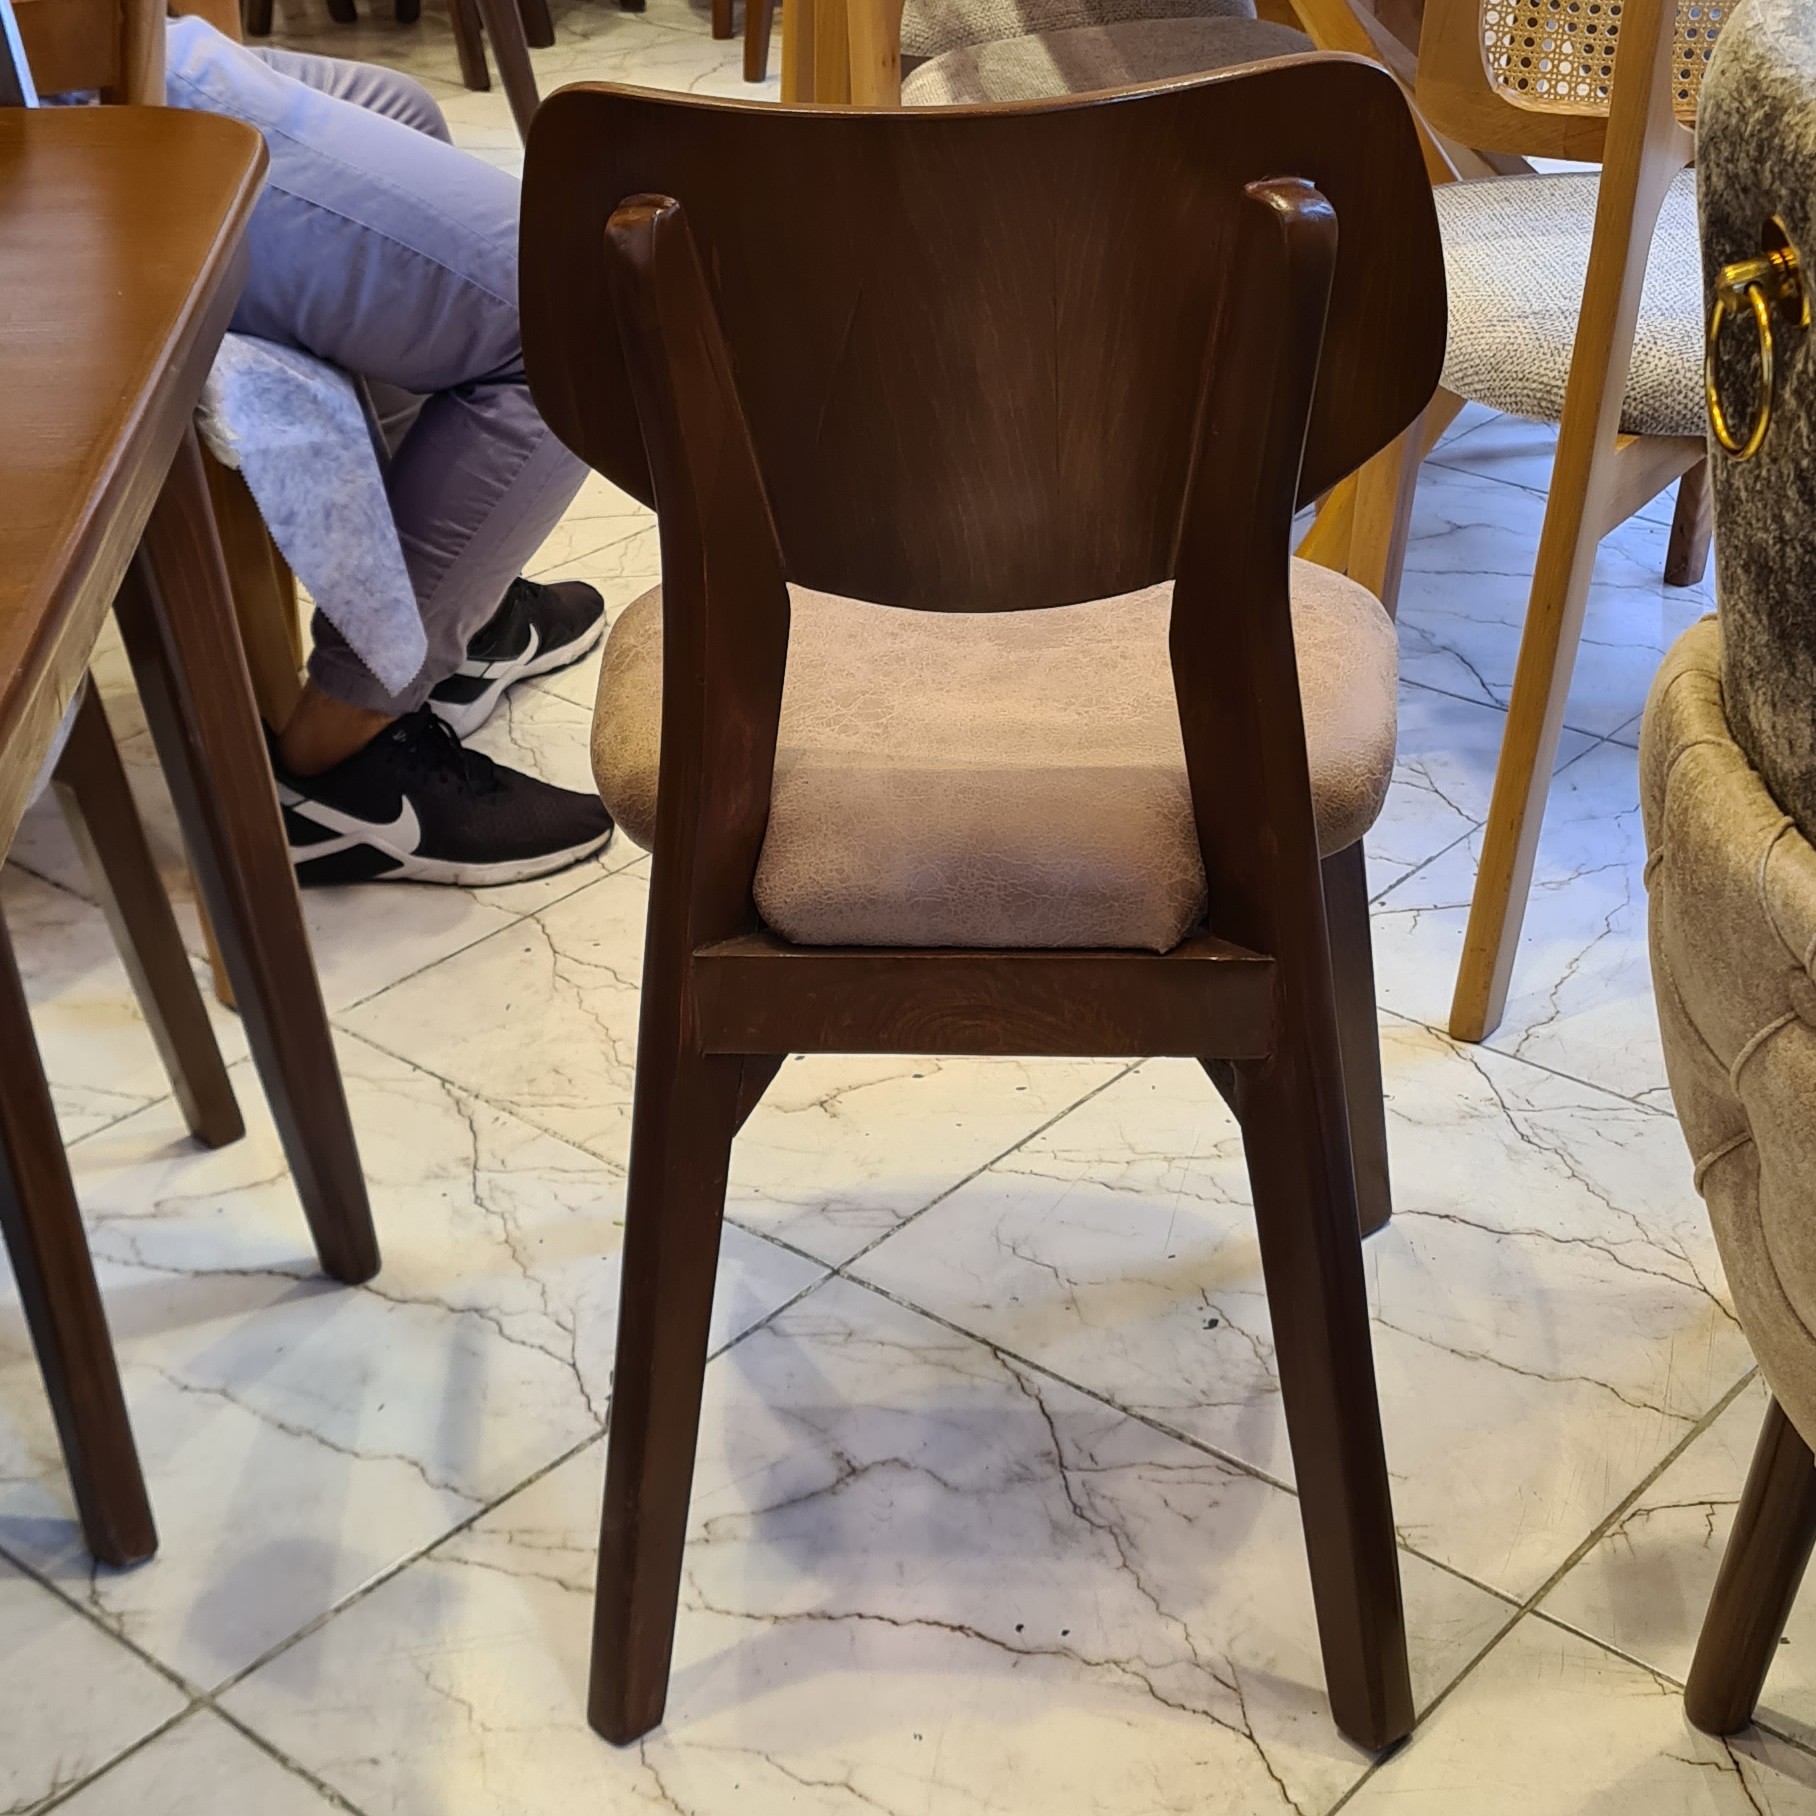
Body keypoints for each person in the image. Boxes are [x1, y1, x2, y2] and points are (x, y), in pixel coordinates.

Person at [163, 14, 616, 888]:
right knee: (574, 309)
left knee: (401, 107)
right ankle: (338, 758)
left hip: (119, 57)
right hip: (61, 124)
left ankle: (460, 618)